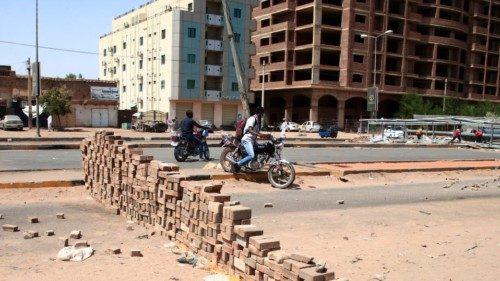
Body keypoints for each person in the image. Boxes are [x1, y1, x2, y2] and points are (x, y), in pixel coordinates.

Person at [232, 107, 267, 172]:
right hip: (247, 139)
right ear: (259, 113)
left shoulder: (257, 121)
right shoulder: (252, 119)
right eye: (262, 114)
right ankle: (237, 164)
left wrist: (264, 135)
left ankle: (252, 165)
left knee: (259, 150)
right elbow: (249, 130)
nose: (262, 116)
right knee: (251, 155)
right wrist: (259, 135)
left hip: (252, 140)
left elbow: (256, 132)